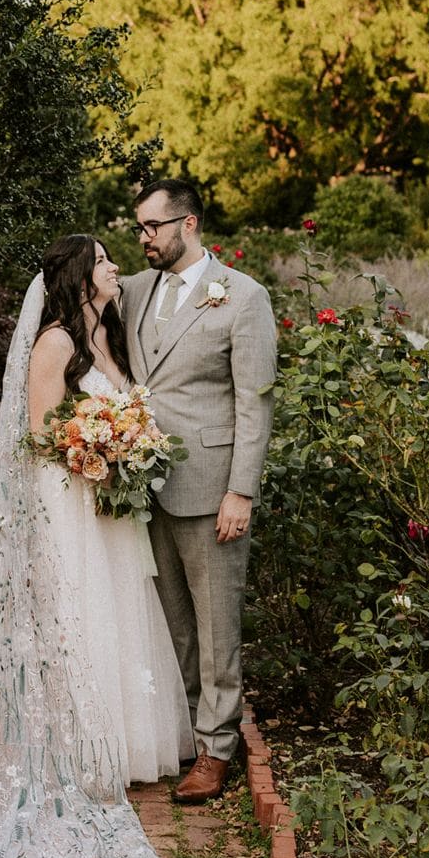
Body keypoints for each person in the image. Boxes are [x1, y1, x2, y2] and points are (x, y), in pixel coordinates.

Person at [0, 234, 192, 858]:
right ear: (80, 277)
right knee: (81, 611)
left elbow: (117, 408)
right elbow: (34, 436)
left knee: (119, 609)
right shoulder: (55, 344)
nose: (116, 267)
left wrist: (125, 444)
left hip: (108, 502)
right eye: (105, 260)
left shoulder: (105, 341)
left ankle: (124, 747)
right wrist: (94, 450)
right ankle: (84, 751)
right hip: (71, 502)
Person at [120, 179, 276, 802]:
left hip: (212, 488)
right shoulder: (132, 291)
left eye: (152, 228)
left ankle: (217, 750)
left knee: (216, 627)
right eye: (139, 228)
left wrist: (241, 491)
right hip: (142, 488)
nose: (143, 239)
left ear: (188, 225)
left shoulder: (243, 297)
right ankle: (189, 733)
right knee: (174, 626)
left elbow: (254, 402)